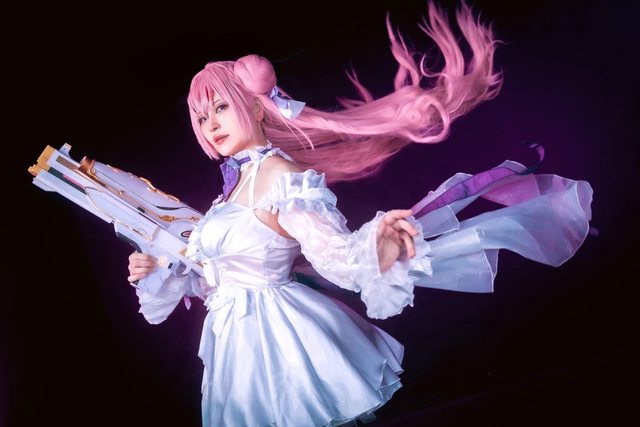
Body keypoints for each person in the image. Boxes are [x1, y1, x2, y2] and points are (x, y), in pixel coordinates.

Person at [127, 2, 593, 426]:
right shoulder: (234, 188)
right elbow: (217, 279)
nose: (210, 124)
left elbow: (337, 260)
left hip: (278, 345)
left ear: (254, 105)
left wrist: (376, 243)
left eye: (220, 107)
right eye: (201, 116)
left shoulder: (280, 177)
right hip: (235, 349)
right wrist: (160, 270)